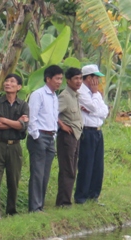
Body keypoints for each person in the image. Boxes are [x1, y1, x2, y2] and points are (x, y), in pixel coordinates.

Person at [0, 73, 29, 219]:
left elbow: (23, 126)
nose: (7, 84)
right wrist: (15, 123)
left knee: (13, 178)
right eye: (6, 81)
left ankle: (11, 209)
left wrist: (5, 120)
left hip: (15, 146)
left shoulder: (23, 105)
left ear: (19, 87)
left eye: (12, 82)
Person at [27, 65, 63, 212]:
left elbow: (53, 118)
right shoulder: (38, 94)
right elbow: (32, 117)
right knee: (37, 173)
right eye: (57, 78)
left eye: (61, 79)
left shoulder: (55, 96)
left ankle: (40, 205)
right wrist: (36, 136)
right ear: (48, 79)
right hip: (39, 136)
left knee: (45, 173)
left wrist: (53, 135)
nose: (60, 82)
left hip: (50, 137)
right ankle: (34, 207)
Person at [75, 64, 109, 205]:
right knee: (86, 164)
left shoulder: (94, 93)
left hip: (97, 130)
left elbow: (104, 112)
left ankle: (93, 195)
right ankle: (81, 196)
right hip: (86, 131)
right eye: (96, 78)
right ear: (88, 78)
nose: (98, 81)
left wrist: (94, 108)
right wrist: (95, 96)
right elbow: (95, 107)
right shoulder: (82, 92)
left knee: (97, 165)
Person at [56, 67, 84, 207]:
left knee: (73, 168)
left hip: (76, 136)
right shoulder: (65, 96)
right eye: (76, 79)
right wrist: (61, 125)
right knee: (67, 169)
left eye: (80, 78)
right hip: (66, 137)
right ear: (68, 81)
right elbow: (52, 112)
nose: (79, 81)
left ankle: (66, 200)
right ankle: (63, 202)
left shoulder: (76, 95)